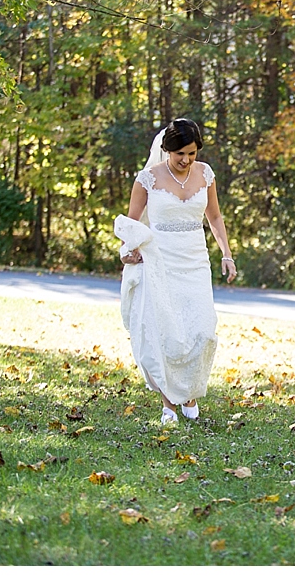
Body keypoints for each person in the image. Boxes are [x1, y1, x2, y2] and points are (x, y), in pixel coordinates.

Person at [114, 118, 237, 426]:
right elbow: (132, 221)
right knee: (168, 332)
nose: (186, 160)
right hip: (161, 261)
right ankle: (170, 404)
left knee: (201, 330)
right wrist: (129, 250)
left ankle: (190, 394)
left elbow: (215, 216)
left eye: (192, 153)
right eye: (179, 153)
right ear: (166, 150)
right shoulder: (147, 179)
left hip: (195, 260)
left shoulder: (205, 174)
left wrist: (227, 254)